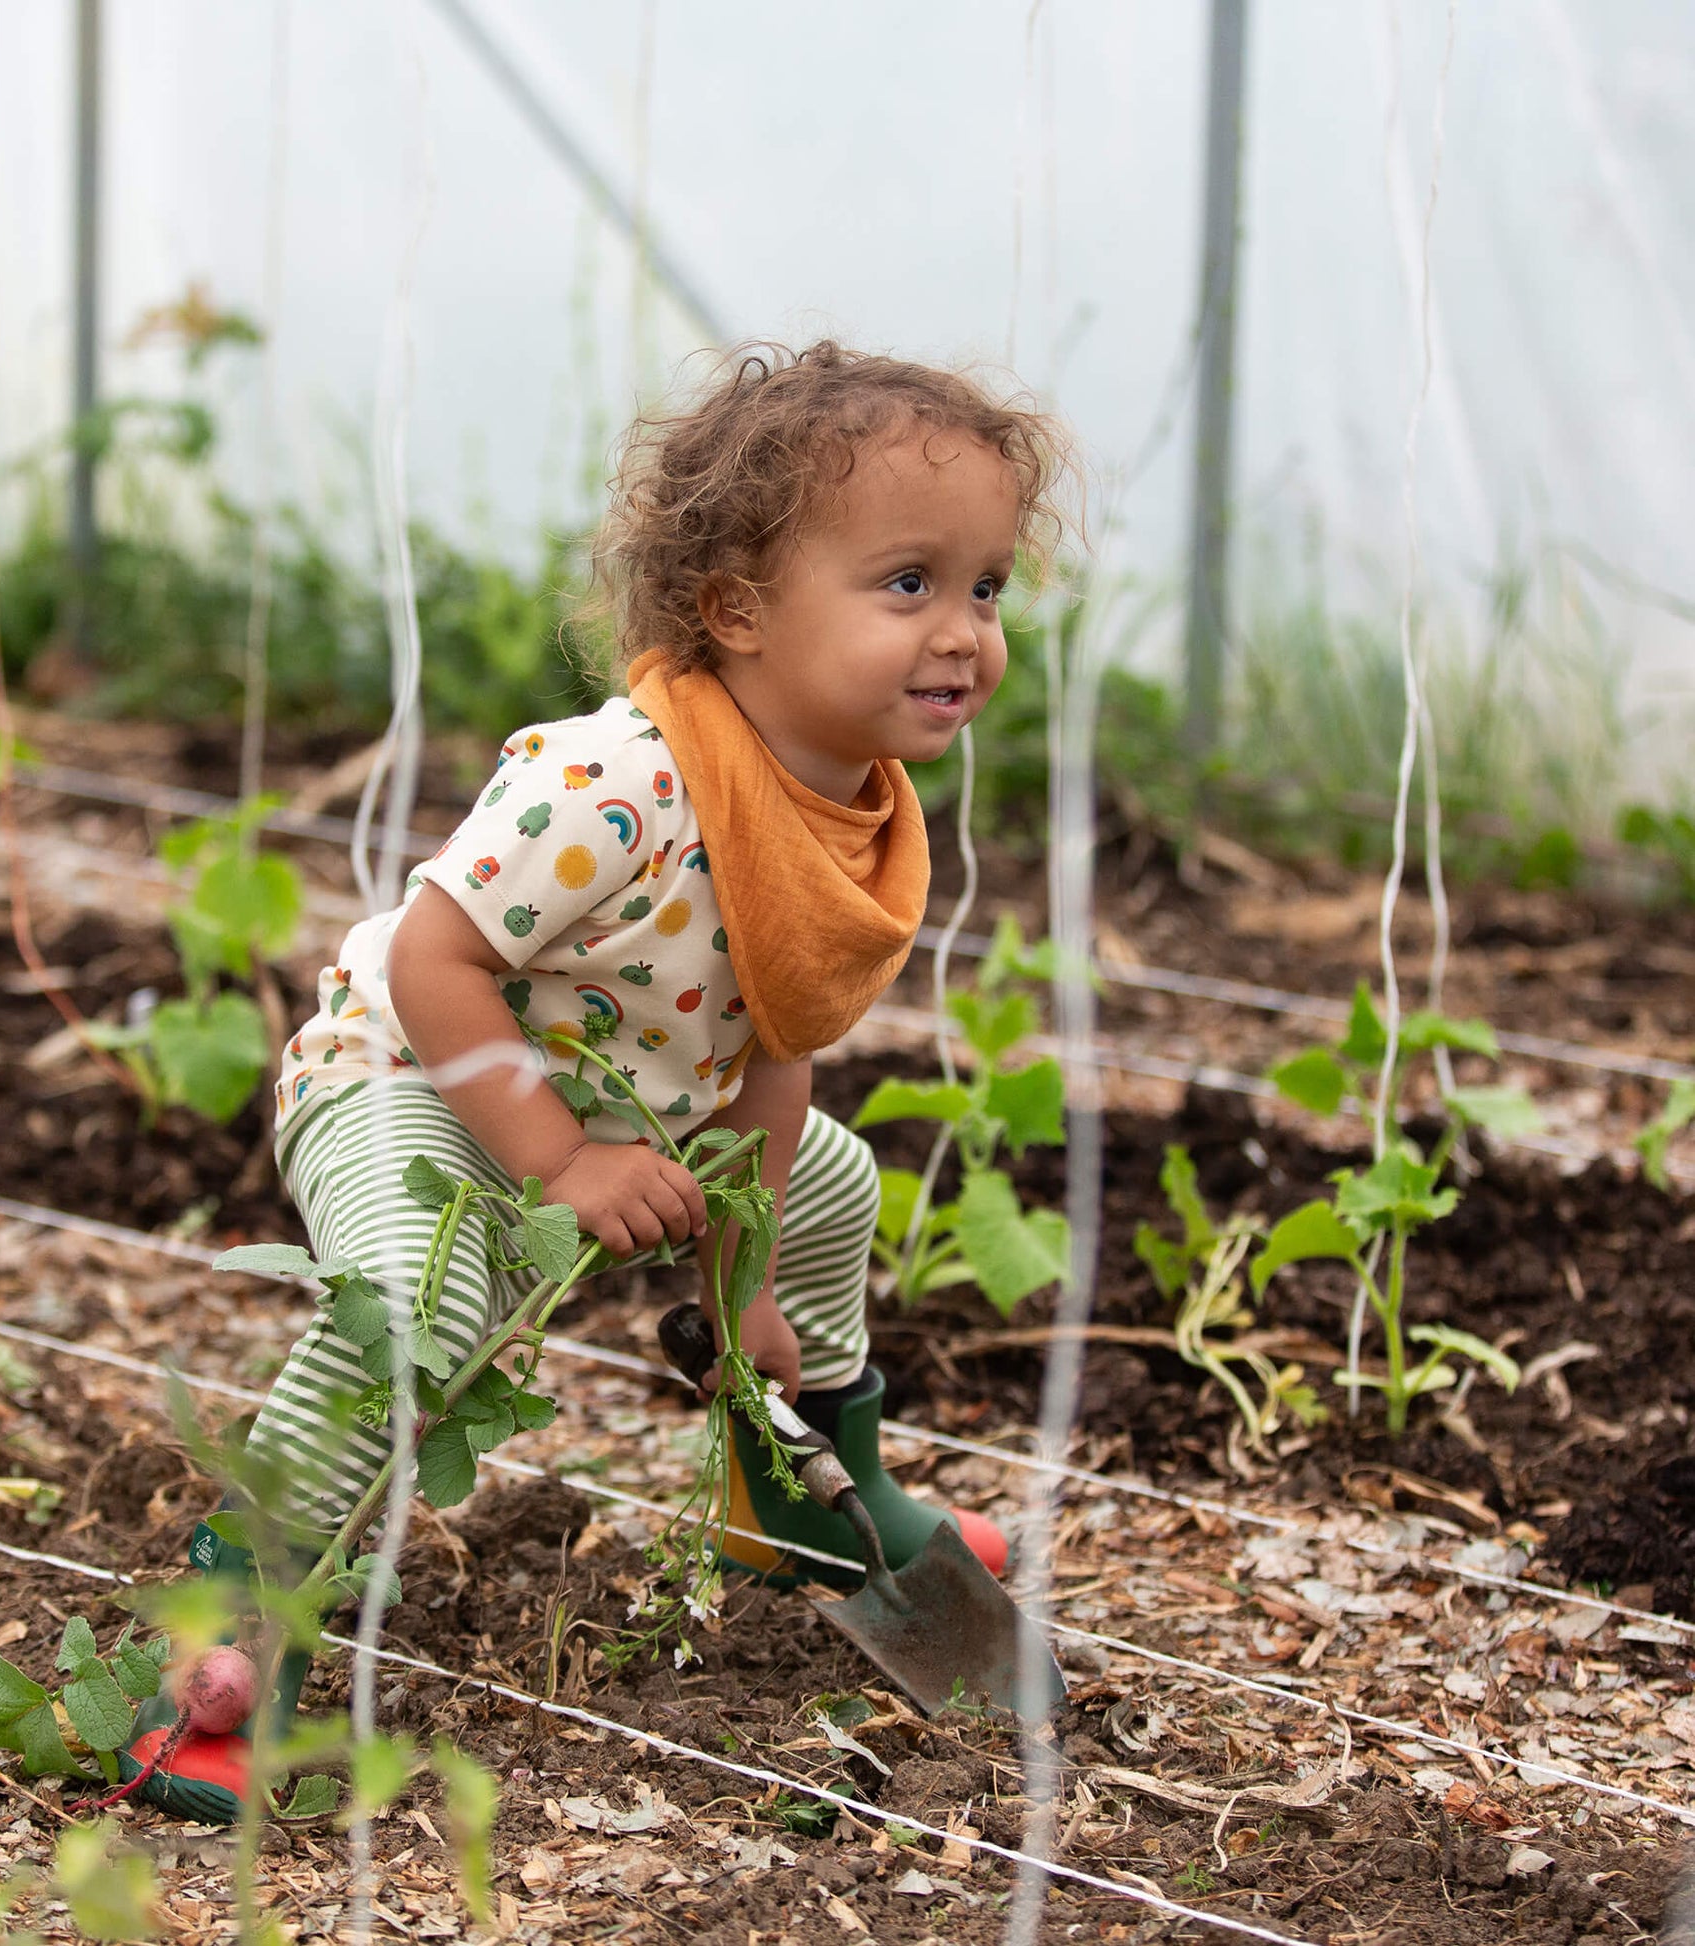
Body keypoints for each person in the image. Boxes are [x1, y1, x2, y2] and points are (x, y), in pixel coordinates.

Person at [122, 340, 1075, 1820]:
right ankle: (232, 1614)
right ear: (735, 609)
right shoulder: (614, 784)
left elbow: (777, 1033)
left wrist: (740, 1283)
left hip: (631, 1103)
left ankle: (801, 1479)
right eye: (907, 584)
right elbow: (434, 964)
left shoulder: (846, 807)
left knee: (825, 1174)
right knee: (426, 1302)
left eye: (986, 587)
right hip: (414, 1079)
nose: (961, 631)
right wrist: (558, 1161)